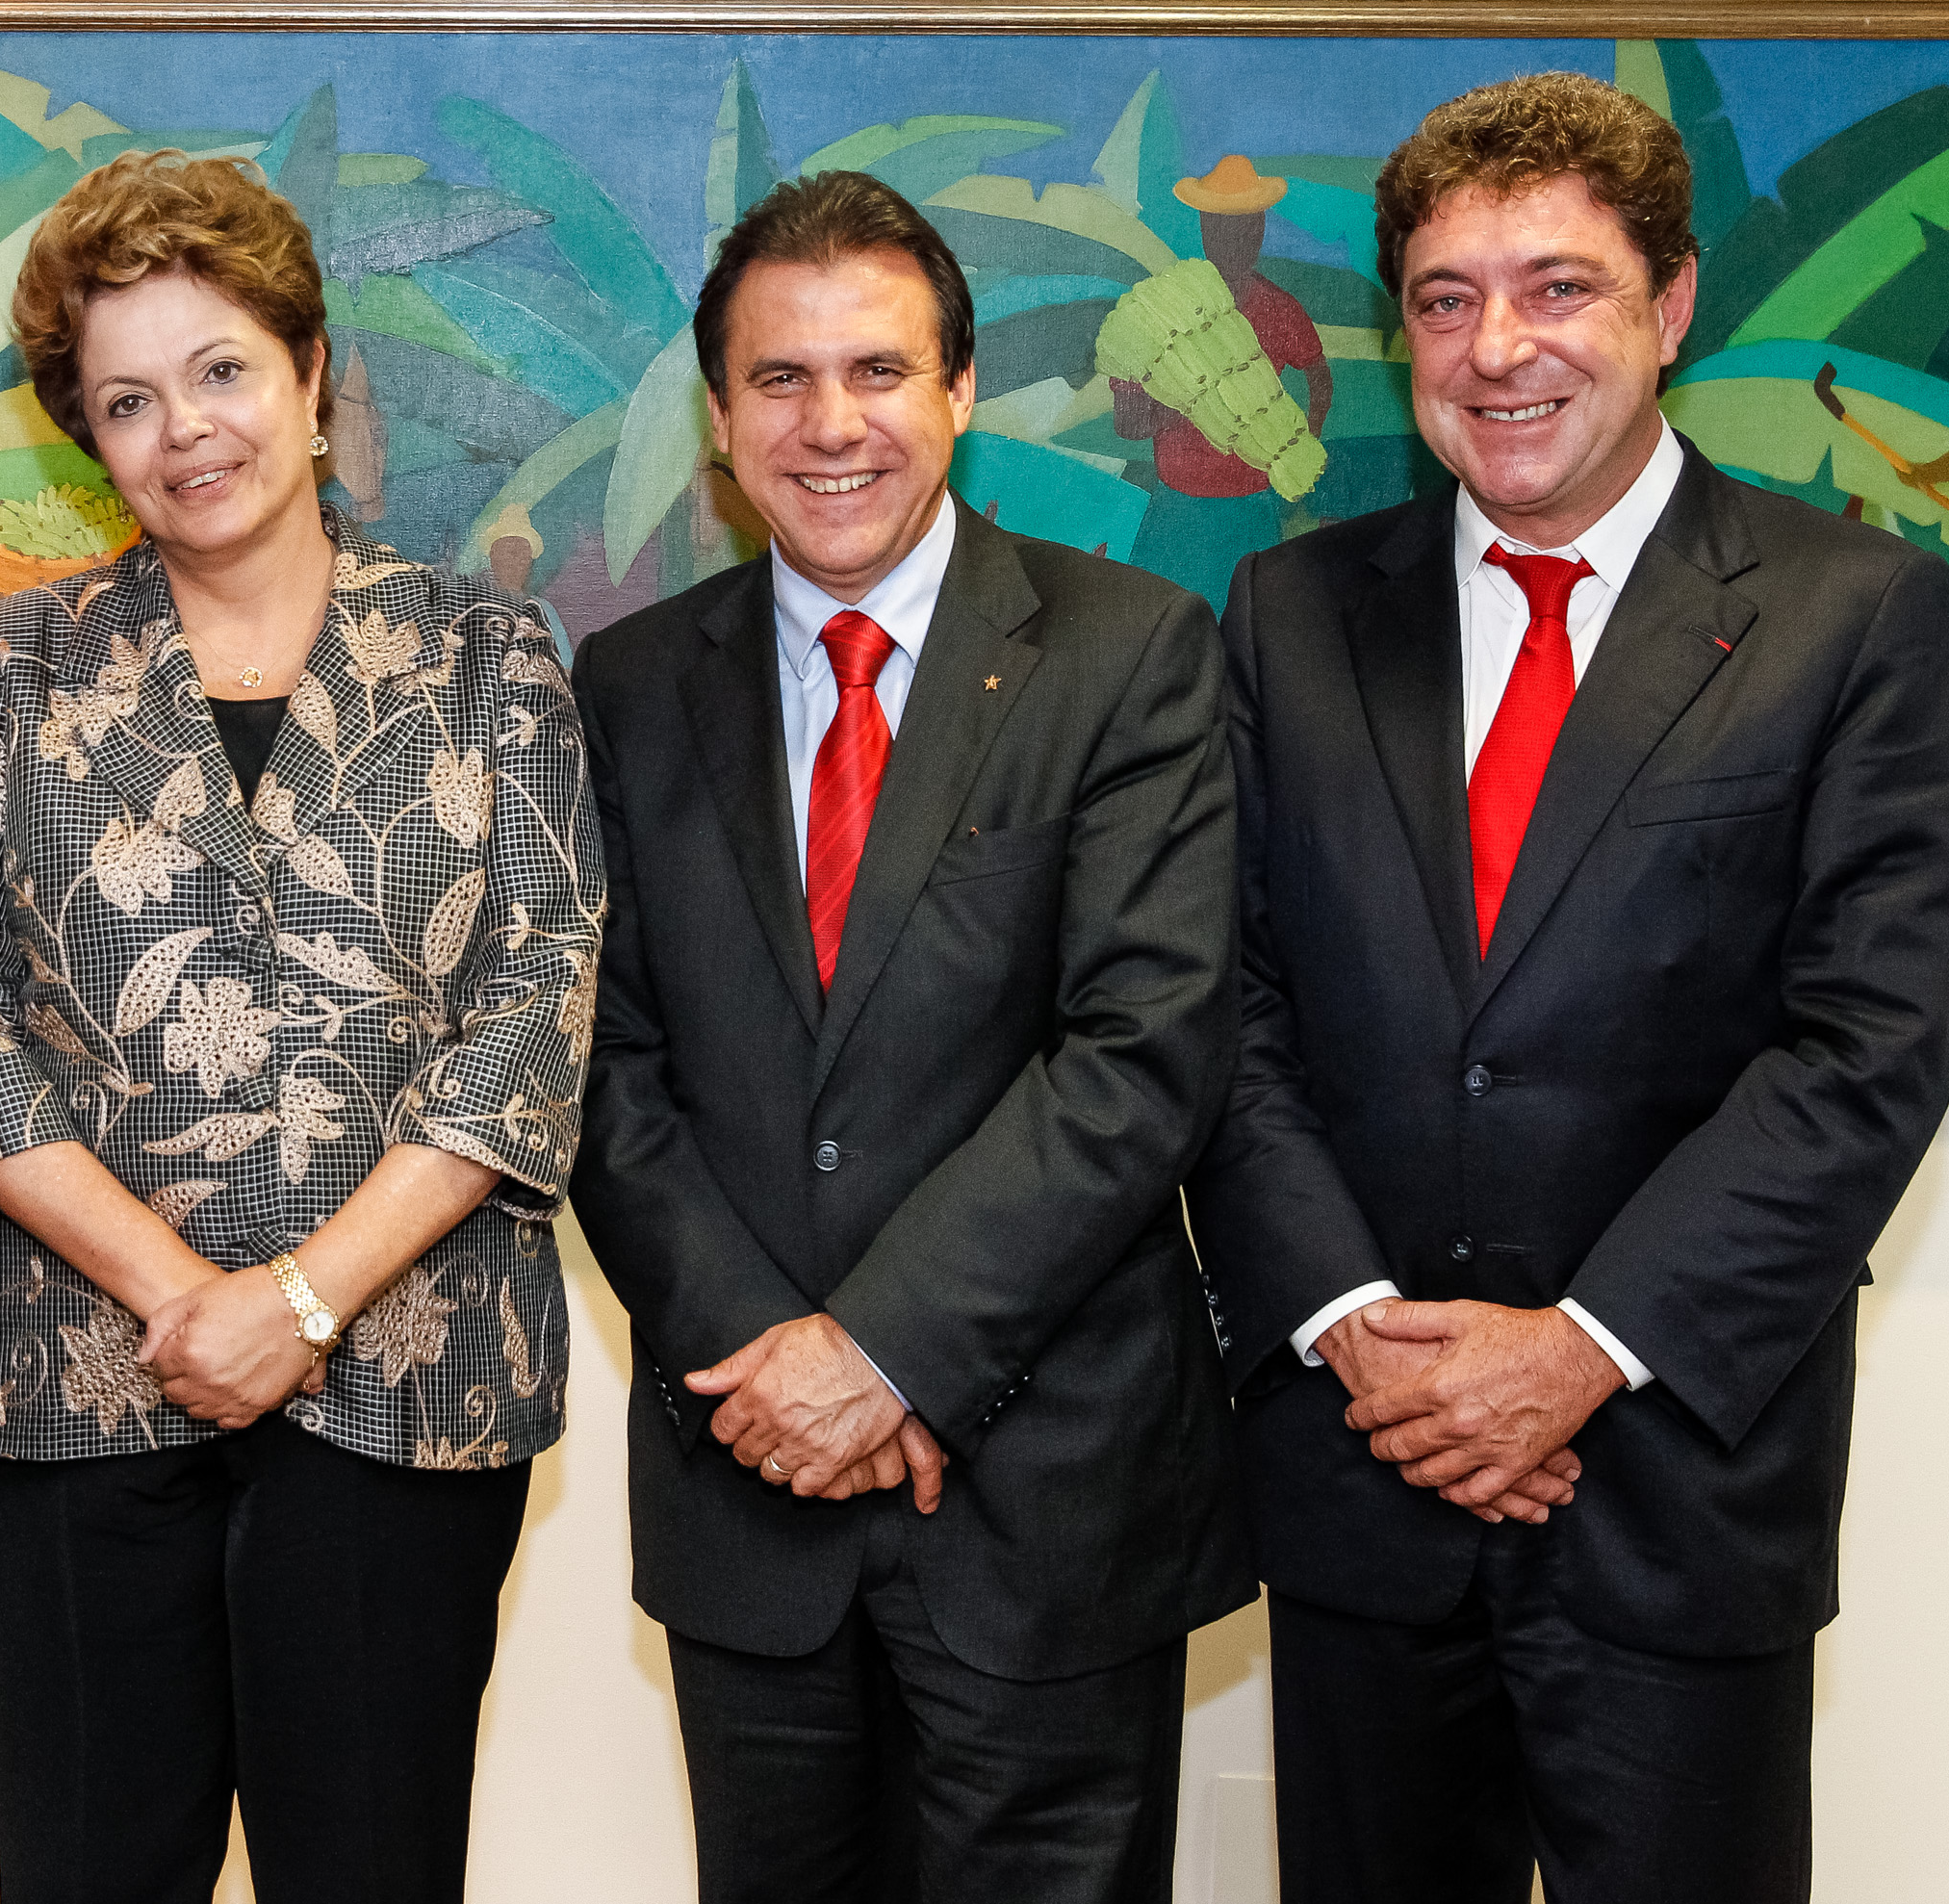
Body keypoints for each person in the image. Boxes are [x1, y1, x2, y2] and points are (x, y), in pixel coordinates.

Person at [1188, 72, 1949, 1904]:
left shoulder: (1858, 609)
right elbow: (1224, 1005)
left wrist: (1577, 1352)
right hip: (1365, 1475)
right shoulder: (1288, 614)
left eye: (1558, 287)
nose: (1496, 346)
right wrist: (1361, 1325)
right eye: (1445, 298)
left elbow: (1872, 1040)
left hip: (1677, 1490)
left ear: (1671, 305)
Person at [0, 149, 600, 1904]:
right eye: (127, 399)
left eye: (218, 370)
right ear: (87, 440)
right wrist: (180, 1299)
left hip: (405, 1382)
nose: (184, 429)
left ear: (308, 368)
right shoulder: (11, 667)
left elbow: (533, 1007)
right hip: (73, 1386)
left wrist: (298, 1300)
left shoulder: (489, 657)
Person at [569, 170, 1249, 1903]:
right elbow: (600, 1065)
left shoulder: (1129, 652)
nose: (831, 424)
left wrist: (879, 1353)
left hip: (1044, 1494)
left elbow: (1137, 1054)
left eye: (878, 372)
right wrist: (770, 1365)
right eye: (779, 382)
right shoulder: (629, 686)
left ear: (957, 393)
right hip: (750, 1484)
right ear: (720, 420)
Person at [1114, 155, 1335, 611]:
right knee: (1161, 638)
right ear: (1204, 229)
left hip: (1251, 510)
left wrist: (1300, 443)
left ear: (1261, 230)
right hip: (1178, 512)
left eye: (1248, 227)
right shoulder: (1159, 311)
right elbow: (1128, 425)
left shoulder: (1279, 309)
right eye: (1223, 227)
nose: (1237, 240)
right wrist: (1184, 401)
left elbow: (1319, 376)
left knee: (1249, 640)